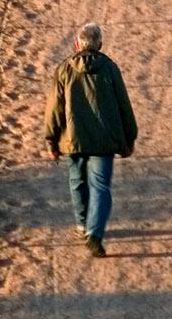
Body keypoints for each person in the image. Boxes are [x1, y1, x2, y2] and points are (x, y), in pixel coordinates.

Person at [44, 21, 138, 257]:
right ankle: (95, 233)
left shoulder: (64, 69)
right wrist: (129, 137)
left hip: (72, 140)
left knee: (77, 181)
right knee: (100, 187)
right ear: (100, 45)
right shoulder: (110, 68)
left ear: (76, 44)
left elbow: (54, 108)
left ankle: (82, 223)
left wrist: (51, 140)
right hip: (104, 141)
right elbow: (123, 105)